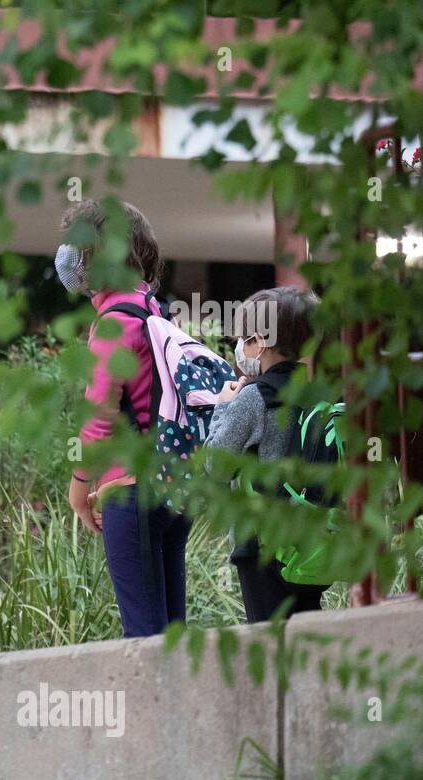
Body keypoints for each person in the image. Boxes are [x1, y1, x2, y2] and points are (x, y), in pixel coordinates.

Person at [59, 199, 192, 637]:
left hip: (131, 493)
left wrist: (80, 488)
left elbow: (98, 419)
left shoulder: (115, 323)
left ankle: (156, 708)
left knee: (145, 640)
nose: (69, 257)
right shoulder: (154, 311)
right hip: (173, 490)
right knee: (170, 636)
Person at [205, 285, 328, 623]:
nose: (239, 348)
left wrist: (222, 408)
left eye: (243, 339)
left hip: (263, 546)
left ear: (260, 341)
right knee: (306, 634)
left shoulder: (254, 399)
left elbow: (215, 465)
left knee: (270, 643)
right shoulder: (320, 395)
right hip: (311, 544)